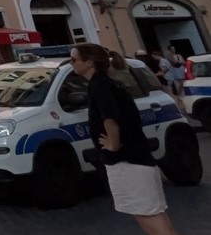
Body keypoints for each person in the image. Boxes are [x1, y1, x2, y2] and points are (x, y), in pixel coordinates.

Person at [71, 44, 178, 235]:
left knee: (147, 215)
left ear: (89, 62)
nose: (71, 63)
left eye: (74, 59)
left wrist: (113, 144)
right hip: (137, 158)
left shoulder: (100, 85)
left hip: (127, 161)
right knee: (155, 214)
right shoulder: (108, 83)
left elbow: (109, 116)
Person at [166, 46, 186, 111]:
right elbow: (173, 62)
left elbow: (183, 62)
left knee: (182, 83)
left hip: (181, 69)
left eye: (174, 49)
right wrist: (178, 61)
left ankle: (180, 95)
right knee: (180, 83)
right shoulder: (169, 56)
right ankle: (179, 95)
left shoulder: (179, 55)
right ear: (169, 50)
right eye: (172, 49)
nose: (173, 50)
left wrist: (179, 61)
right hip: (175, 70)